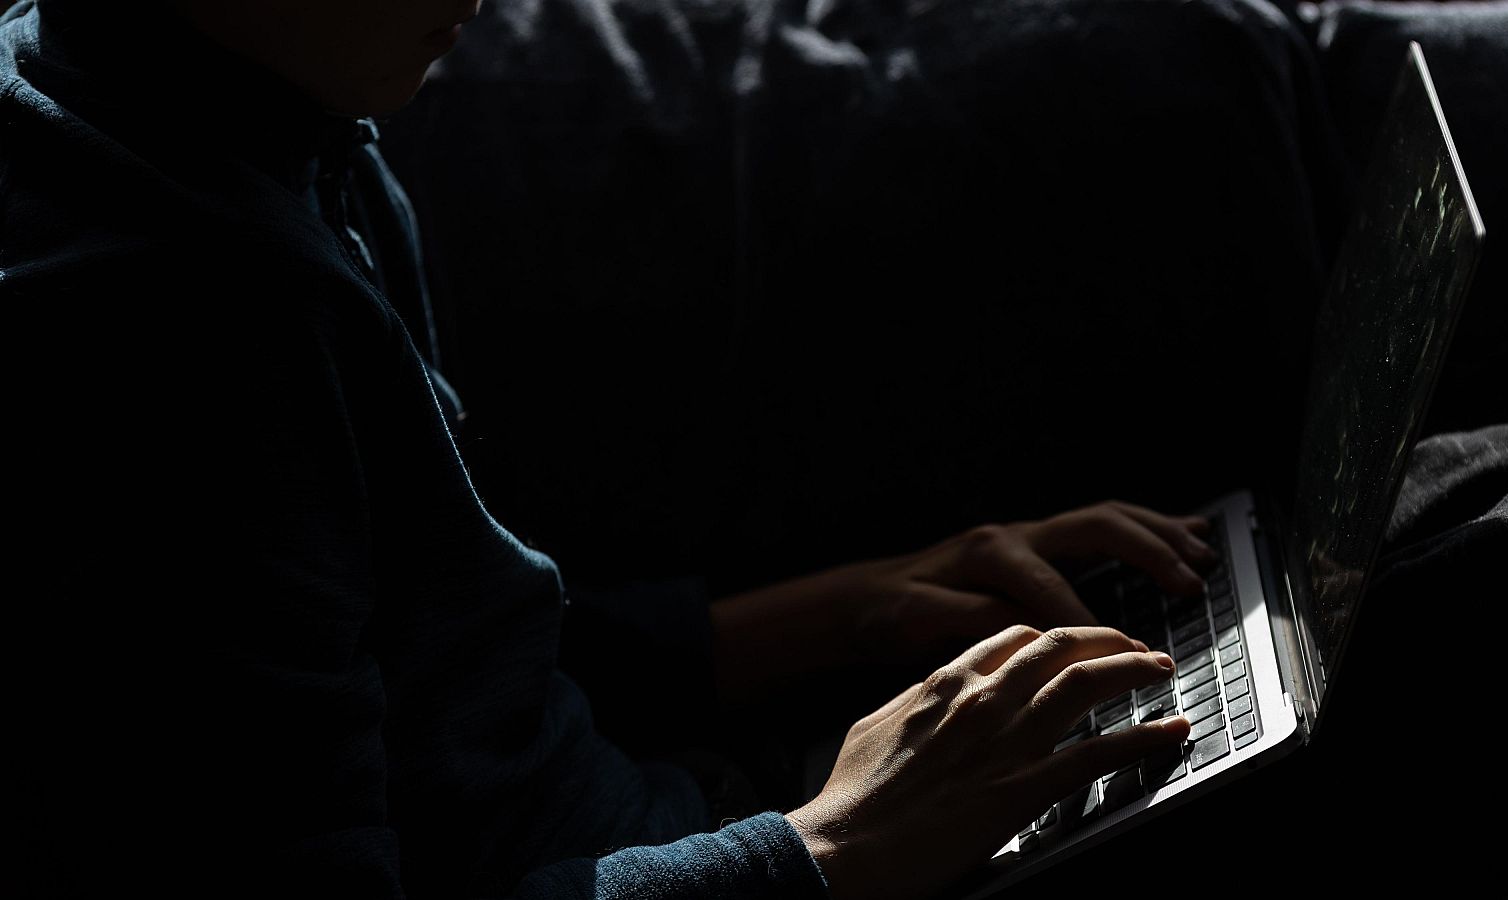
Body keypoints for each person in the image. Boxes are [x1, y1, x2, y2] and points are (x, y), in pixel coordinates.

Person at [2, 1, 1220, 895]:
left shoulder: (258, 118)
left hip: (679, 814)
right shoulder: (156, 333)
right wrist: (831, 848)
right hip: (720, 855)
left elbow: (439, 667)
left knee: (1288, 585)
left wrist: (856, 606)